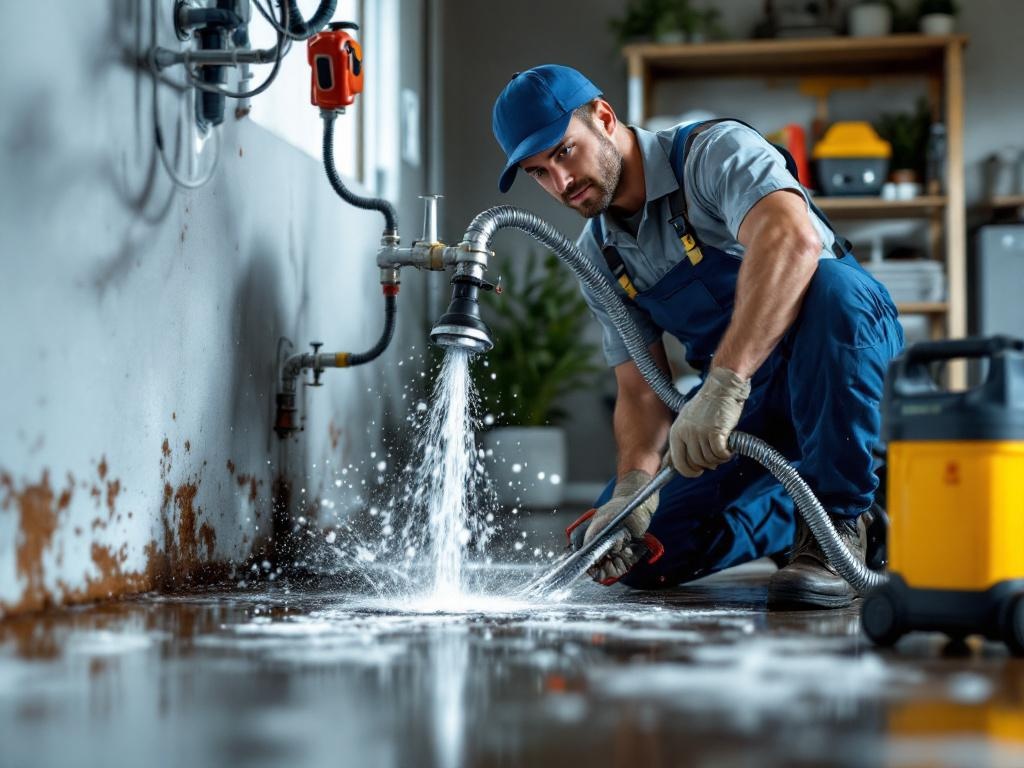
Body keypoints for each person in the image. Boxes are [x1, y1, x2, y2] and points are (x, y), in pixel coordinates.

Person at [491, 64, 904, 608]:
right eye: (539, 173)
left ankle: (839, 523)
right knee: (644, 550)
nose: (561, 183)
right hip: (748, 404)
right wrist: (632, 490)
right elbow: (640, 390)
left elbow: (792, 239)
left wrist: (724, 386)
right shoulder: (600, 255)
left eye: (565, 152)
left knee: (834, 291)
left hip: (836, 358)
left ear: (604, 118)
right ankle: (797, 519)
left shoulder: (713, 153)